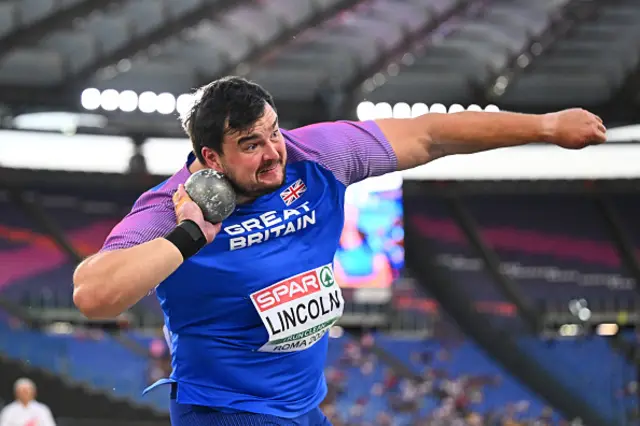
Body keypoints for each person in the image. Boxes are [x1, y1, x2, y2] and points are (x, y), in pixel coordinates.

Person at [72, 76, 607, 425]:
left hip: (304, 410)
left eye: (273, 132)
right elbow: (94, 295)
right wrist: (189, 237)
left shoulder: (318, 155)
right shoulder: (174, 207)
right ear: (210, 156)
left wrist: (544, 126)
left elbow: (430, 134)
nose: (273, 153)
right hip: (224, 412)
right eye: (251, 145)